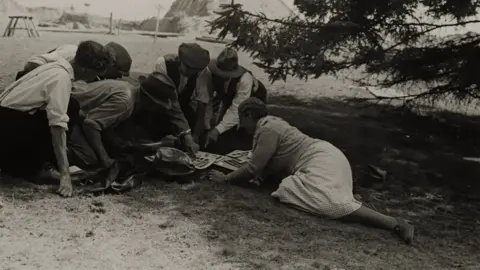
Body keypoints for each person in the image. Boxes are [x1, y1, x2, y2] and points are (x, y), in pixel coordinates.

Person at [208, 97, 415, 244]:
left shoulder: (268, 128)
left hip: (321, 159)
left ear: (249, 115)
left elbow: (253, 168)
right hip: (325, 156)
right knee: (327, 199)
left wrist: (224, 179)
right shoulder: (270, 125)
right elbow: (268, 166)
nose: (241, 125)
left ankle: (394, 223)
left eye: (241, 119)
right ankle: (376, 215)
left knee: (314, 199)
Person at [0, 40, 110, 197]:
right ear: (85, 69)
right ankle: (37, 169)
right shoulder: (61, 77)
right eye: (95, 73)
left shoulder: (56, 64)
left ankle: (20, 164)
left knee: (71, 106)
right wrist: (65, 173)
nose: (96, 77)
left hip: (8, 122)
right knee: (67, 112)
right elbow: (57, 126)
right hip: (8, 129)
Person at [204, 47, 267, 154]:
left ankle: (245, 152)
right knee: (222, 130)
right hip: (230, 98)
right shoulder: (211, 74)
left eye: (226, 74)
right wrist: (207, 126)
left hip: (253, 99)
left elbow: (236, 109)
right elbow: (208, 100)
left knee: (247, 128)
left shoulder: (245, 79)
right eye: (219, 73)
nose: (221, 76)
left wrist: (216, 130)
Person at [153, 43, 213, 154]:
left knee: (191, 127)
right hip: (162, 103)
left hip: (184, 105)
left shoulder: (203, 71)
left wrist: (195, 135)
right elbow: (168, 99)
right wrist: (186, 134)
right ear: (180, 59)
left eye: (194, 70)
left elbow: (202, 103)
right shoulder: (163, 63)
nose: (190, 72)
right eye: (188, 68)